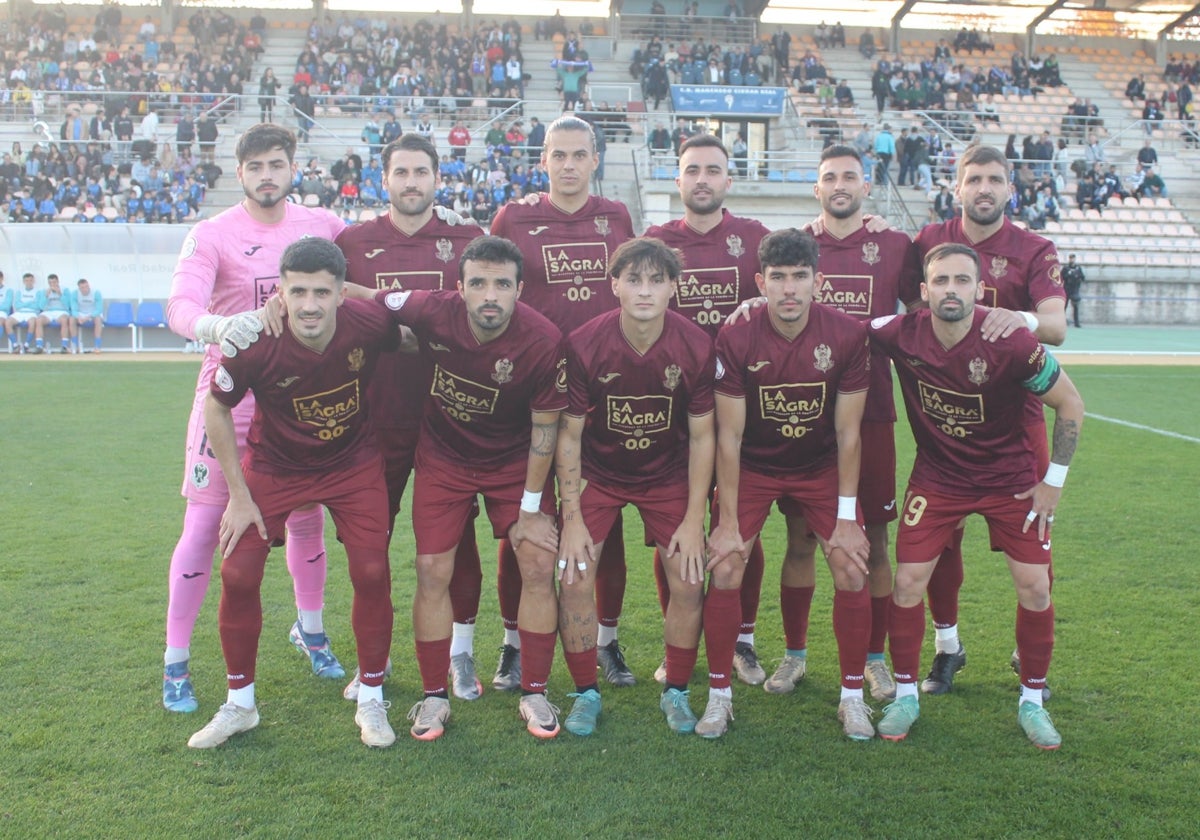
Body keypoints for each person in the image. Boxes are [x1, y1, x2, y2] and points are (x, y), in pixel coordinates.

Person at [869, 242, 1084, 750]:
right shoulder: (903, 332)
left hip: (1010, 479)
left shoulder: (1009, 340)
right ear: (924, 292)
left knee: (1035, 587)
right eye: (940, 281)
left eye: (961, 281)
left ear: (978, 289)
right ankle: (905, 696)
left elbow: (1070, 404)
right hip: (939, 478)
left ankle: (1032, 702)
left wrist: (1052, 481)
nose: (951, 290)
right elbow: (840, 327)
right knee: (907, 582)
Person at [161, 124, 345, 714]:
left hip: (299, 401)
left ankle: (311, 633)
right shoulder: (212, 234)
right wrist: (217, 327)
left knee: (307, 519)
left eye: (277, 164)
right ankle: (176, 664)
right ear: (239, 173)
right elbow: (179, 305)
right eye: (256, 166)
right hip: (230, 402)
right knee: (204, 528)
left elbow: (381, 257)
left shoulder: (322, 226)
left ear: (293, 169)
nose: (268, 174)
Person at [186, 237, 397, 750]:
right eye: (297, 291)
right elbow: (217, 408)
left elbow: (409, 325)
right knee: (236, 572)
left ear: (340, 293)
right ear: (280, 292)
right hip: (276, 466)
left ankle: (371, 695)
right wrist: (238, 496)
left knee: (372, 571)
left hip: (353, 463)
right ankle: (239, 705)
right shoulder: (254, 340)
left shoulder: (368, 324)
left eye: (322, 293)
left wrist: (365, 293)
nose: (308, 305)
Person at [372, 236, 566, 740]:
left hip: (512, 462)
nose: (489, 295)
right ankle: (434, 696)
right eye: (477, 283)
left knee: (539, 562)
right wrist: (308, 295)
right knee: (432, 568)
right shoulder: (431, 310)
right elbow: (365, 295)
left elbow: (546, 430)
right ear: (458, 287)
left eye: (502, 284)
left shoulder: (543, 340)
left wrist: (529, 510)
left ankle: (536, 691)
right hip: (444, 459)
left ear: (520, 289)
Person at [758, 145, 921, 703]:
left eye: (850, 176)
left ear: (867, 185)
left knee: (872, 541)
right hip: (804, 414)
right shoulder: (800, 246)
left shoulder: (896, 244)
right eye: (830, 177)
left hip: (870, 412)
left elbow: (923, 310)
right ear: (816, 187)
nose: (840, 185)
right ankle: (795, 654)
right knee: (800, 538)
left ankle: (874, 660)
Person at [334, 133, 486, 702]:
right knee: (372, 547)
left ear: (437, 178)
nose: (412, 183)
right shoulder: (353, 241)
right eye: (402, 173)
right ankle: (371, 660)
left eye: (422, 172)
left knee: (456, 541)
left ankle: (462, 654)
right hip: (378, 418)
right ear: (385, 179)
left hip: (454, 415)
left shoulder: (469, 239)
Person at [911, 144, 1066, 697]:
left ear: (1010, 189)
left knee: (1033, 550)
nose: (984, 188)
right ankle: (948, 647)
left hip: (1016, 427)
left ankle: (1031, 660)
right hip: (945, 424)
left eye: (995, 179)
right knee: (938, 546)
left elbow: (1055, 325)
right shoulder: (928, 242)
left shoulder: (1034, 248)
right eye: (973, 178)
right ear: (957, 187)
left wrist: (1014, 315)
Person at [705, 228, 872, 740]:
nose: (790, 289)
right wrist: (728, 523)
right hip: (754, 463)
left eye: (800, 277)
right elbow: (728, 438)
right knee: (728, 563)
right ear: (761, 282)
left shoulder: (845, 334)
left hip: (819, 465)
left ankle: (852, 698)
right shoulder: (736, 336)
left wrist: (847, 521)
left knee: (850, 563)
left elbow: (848, 432)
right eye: (778, 278)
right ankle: (718, 697)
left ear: (818, 281)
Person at [488, 116, 635, 689]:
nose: (569, 165)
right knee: (523, 520)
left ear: (594, 160)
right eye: (559, 155)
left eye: (579, 155)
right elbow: (485, 280)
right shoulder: (515, 217)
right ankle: (511, 644)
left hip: (602, 393)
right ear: (542, 161)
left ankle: (607, 641)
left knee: (606, 522)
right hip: (531, 394)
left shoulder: (616, 217)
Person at [556, 237, 716, 736]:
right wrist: (572, 518)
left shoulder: (695, 345)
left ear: (674, 286)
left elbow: (703, 434)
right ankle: (585, 693)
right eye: (633, 280)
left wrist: (694, 520)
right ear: (615, 286)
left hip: (666, 476)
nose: (644, 290)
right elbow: (569, 433)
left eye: (655, 280)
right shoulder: (584, 342)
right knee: (574, 576)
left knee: (690, 579)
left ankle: (677, 690)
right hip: (599, 476)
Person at [643, 134, 769, 686]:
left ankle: (742, 639)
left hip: (745, 403)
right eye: (691, 169)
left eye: (712, 170)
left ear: (728, 181)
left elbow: (791, 285)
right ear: (678, 180)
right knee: (673, 527)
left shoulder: (755, 238)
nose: (701, 179)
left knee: (740, 526)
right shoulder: (655, 241)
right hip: (675, 406)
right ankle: (681, 637)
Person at [36, 274, 73, 354]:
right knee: (39, 320)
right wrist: (46, 296)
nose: (52, 284)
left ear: (58, 282)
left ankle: (64, 346)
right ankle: (39, 346)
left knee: (64, 320)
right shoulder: (44, 291)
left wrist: (60, 294)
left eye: (54, 282)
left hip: (62, 311)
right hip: (48, 312)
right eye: (50, 283)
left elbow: (68, 305)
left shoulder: (65, 290)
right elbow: (41, 306)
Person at [6, 273, 40, 353]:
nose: (29, 282)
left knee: (32, 322)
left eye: (31, 280)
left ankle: (26, 345)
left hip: (32, 312)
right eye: (27, 280)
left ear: (33, 281)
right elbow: (17, 305)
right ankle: (15, 345)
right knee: (8, 322)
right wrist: (30, 303)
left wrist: (24, 304)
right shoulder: (19, 292)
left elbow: (37, 305)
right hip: (20, 312)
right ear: (24, 281)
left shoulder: (38, 292)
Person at [70, 278, 104, 353]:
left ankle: (97, 346)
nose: (85, 289)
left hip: (93, 313)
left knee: (98, 319)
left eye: (86, 286)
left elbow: (99, 309)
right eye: (82, 287)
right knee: (72, 319)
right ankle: (74, 345)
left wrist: (88, 317)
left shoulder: (96, 293)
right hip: (81, 313)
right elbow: (74, 309)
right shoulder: (75, 294)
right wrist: (78, 317)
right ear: (79, 288)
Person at [1061, 254, 1085, 328]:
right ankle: (1062, 322)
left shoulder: (1078, 268)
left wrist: (1077, 277)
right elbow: (1061, 277)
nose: (1072, 260)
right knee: (1064, 307)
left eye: (1073, 258)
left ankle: (1076, 323)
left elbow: (1083, 277)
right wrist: (1069, 275)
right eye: (1071, 258)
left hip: (1075, 290)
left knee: (1075, 307)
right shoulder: (1066, 268)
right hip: (1067, 289)